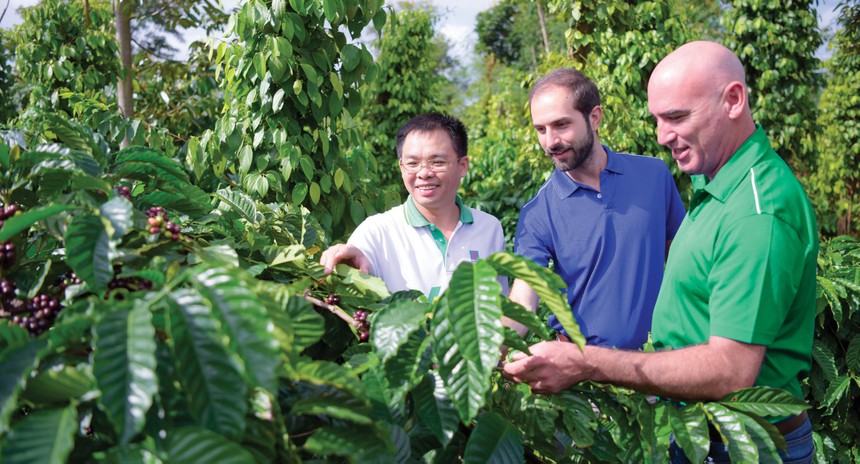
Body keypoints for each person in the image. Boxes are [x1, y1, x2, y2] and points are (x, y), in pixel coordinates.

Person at [503, 41, 818, 463]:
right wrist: (488, 350)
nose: (662, 135)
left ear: (733, 100)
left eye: (676, 116)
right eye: (540, 130)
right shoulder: (712, 187)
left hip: (734, 435)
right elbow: (524, 295)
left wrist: (588, 362)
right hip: (661, 406)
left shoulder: (746, 209)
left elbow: (731, 368)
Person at [508, 68, 686, 349]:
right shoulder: (538, 212)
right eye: (541, 129)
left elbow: (682, 261)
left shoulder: (653, 175)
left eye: (561, 125)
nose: (550, 142)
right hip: (586, 378)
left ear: (594, 117)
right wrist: (482, 358)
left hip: (661, 361)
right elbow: (523, 298)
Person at [319, 112, 507, 300]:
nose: (424, 173)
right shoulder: (376, 232)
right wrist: (345, 260)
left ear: (463, 165)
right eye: (413, 163)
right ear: (401, 167)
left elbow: (499, 308)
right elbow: (358, 258)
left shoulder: (489, 228)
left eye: (437, 162)